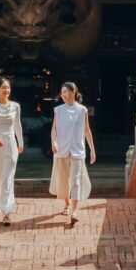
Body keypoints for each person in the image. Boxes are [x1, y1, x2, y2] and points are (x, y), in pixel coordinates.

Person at [50, 81, 96, 224]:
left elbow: (87, 130)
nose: (63, 94)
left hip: (77, 151)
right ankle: (67, 205)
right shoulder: (58, 110)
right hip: (61, 150)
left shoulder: (82, 110)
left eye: (65, 91)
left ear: (73, 92)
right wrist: (54, 142)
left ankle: (74, 211)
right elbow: (54, 129)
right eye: (62, 92)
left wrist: (92, 150)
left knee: (75, 181)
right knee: (63, 180)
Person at [0, 76, 24, 226]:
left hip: (10, 143)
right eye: (3, 88)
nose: (6, 90)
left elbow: (17, 125)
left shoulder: (15, 106)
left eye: (8, 87)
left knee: (7, 179)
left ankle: (7, 212)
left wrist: (20, 142)